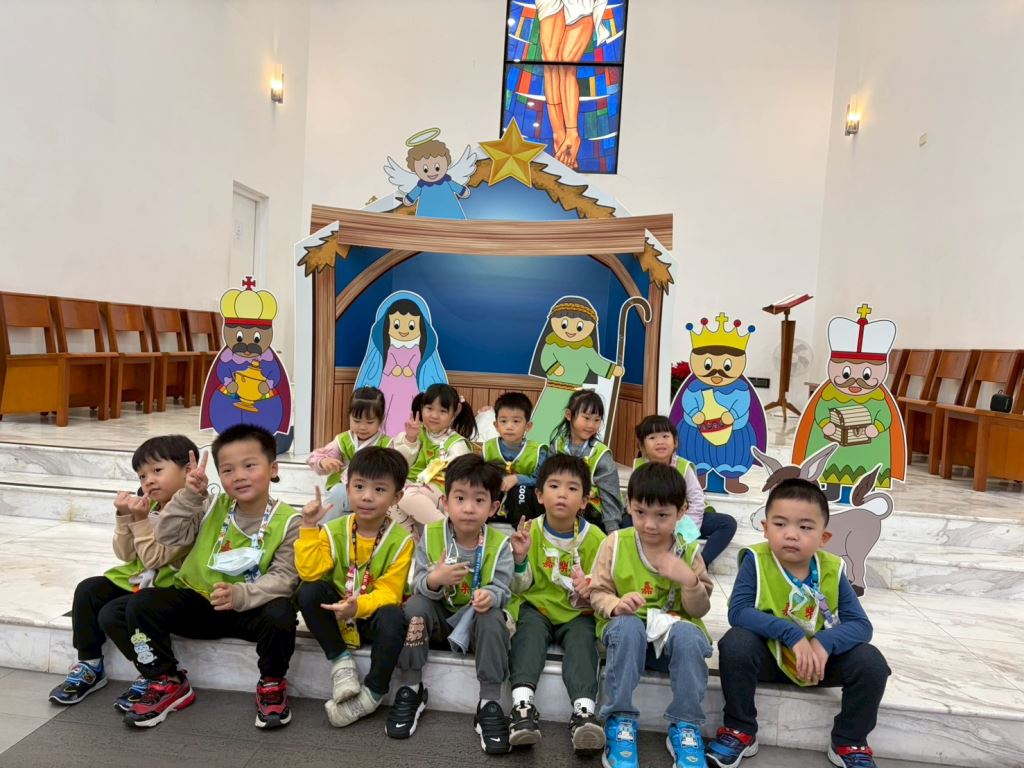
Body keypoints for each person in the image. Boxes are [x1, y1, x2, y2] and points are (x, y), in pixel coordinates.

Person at [120, 425, 301, 729]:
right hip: (199, 604)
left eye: (250, 466)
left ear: (273, 469)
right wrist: (190, 496)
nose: (239, 476)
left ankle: (272, 683)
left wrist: (240, 594)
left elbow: (285, 577)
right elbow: (168, 535)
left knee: (281, 612)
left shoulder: (289, 521)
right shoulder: (210, 504)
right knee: (141, 604)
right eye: (228, 470)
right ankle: (166, 680)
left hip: (249, 610)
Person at [705, 479, 890, 768]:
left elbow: (860, 625)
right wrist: (791, 634)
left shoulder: (832, 568)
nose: (791, 534)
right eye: (780, 524)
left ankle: (849, 740)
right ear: (765, 528)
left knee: (871, 662)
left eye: (805, 527)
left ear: (824, 537)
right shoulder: (757, 561)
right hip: (769, 658)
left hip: (817, 664)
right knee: (736, 642)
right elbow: (738, 612)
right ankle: (740, 729)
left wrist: (824, 642)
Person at [48, 435, 198, 710]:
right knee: (89, 590)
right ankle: (90, 664)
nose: (148, 481)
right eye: (142, 476)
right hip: (144, 578)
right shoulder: (153, 505)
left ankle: (155, 673)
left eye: (157, 470)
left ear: (188, 470)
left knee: (114, 613)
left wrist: (140, 520)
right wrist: (124, 517)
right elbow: (126, 554)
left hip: (169, 586)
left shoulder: (189, 510)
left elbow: (156, 557)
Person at [590, 463, 715, 768]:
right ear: (628, 505)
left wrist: (690, 581)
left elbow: (699, 610)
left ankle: (685, 725)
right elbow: (597, 592)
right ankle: (619, 718)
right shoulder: (615, 543)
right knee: (627, 627)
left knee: (689, 635)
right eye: (640, 512)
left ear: (681, 511)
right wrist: (616, 604)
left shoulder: (688, 551)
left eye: (662, 515)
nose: (649, 524)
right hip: (626, 635)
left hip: (671, 636)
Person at [389, 455, 514, 755]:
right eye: (460, 498)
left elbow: (504, 589)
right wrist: (435, 579)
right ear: (445, 502)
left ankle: (490, 702)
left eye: (479, 500)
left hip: (475, 625)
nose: (468, 508)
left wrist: (491, 595)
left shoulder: (499, 544)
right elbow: (417, 583)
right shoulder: (432, 534)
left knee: (493, 616)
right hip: (437, 620)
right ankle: (411, 688)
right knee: (415, 607)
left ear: (493, 507)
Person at [295, 447, 413, 727]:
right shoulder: (333, 530)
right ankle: (340, 662)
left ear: (397, 497)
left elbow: (389, 592)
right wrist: (309, 526)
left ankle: (373, 693)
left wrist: (357, 606)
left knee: (394, 616)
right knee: (308, 591)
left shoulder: (402, 540)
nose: (367, 496)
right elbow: (310, 572)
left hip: (370, 616)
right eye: (359, 486)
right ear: (347, 488)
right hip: (337, 616)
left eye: (379, 489)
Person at [507, 454, 607, 755]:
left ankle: (583, 713)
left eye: (572, 488)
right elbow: (520, 587)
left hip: (577, 612)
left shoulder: (596, 538)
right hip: (537, 607)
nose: (562, 494)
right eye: (553, 486)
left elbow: (605, 585)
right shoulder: (530, 531)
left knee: (582, 642)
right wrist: (520, 558)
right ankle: (522, 707)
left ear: (584, 500)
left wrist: (591, 588)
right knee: (528, 635)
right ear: (539, 495)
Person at [633, 415, 737, 567]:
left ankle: (700, 563)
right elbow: (633, 500)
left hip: (681, 518)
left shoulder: (683, 466)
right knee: (626, 520)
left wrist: (688, 526)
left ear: (675, 442)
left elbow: (696, 499)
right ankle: (642, 559)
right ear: (642, 446)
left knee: (727, 523)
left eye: (665, 436)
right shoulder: (639, 467)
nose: (660, 441)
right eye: (652, 437)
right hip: (651, 519)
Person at [392, 383, 476, 534]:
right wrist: (410, 439)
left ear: (455, 412)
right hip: (412, 488)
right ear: (422, 407)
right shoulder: (415, 432)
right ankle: (411, 543)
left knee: (405, 496)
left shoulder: (457, 444)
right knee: (390, 500)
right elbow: (398, 466)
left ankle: (449, 531)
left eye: (442, 411)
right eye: (429, 409)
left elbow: (459, 477)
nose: (434, 416)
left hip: (442, 493)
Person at [306, 386, 393, 520]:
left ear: (380, 420)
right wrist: (324, 462)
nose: (362, 427)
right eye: (356, 421)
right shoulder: (343, 440)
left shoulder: (386, 444)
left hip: (372, 491)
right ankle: (325, 529)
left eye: (369, 422)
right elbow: (315, 457)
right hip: (344, 490)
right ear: (349, 416)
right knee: (337, 493)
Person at [548, 389, 623, 532]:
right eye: (586, 418)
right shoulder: (557, 447)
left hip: (590, 513)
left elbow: (610, 495)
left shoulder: (600, 454)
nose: (591, 425)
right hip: (559, 506)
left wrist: (612, 530)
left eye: (597, 420)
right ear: (569, 415)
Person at [481, 391, 546, 527]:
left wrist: (518, 479)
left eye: (516, 421)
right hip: (496, 496)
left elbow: (542, 480)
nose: (509, 426)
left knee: (521, 489)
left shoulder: (538, 451)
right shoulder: (487, 448)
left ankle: (522, 529)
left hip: (524, 502)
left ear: (528, 426)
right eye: (503, 421)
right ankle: (482, 528)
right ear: (496, 425)